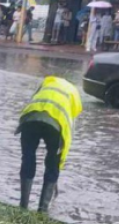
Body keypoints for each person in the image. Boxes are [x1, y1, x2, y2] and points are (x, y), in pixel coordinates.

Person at [16, 76, 83, 212]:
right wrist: (57, 165)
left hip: (30, 118)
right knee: (53, 164)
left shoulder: (47, 82)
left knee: (28, 158)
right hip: (55, 125)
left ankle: (23, 206)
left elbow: (33, 98)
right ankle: (42, 210)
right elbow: (66, 144)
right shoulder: (73, 98)